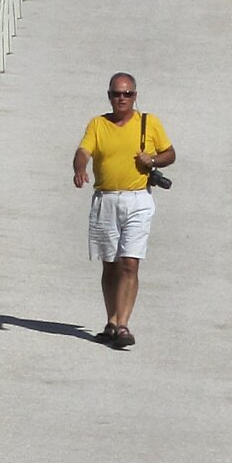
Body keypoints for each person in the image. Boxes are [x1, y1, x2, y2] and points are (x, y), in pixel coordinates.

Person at [73, 72, 176, 348]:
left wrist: (152, 159)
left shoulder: (148, 123)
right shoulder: (98, 124)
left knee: (130, 263)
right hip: (105, 199)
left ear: (135, 96)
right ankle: (111, 320)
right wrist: (80, 168)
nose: (122, 98)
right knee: (111, 264)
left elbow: (170, 154)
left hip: (137, 200)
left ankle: (123, 325)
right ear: (109, 96)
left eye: (127, 94)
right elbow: (83, 151)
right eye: (117, 94)